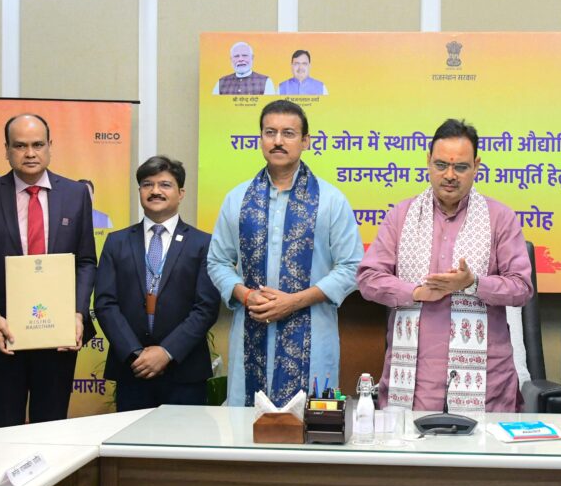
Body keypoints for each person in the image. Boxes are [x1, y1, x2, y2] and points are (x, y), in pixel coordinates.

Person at [358, 119, 534, 413]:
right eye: (441, 165)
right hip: (415, 382)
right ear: (428, 161)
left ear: (476, 166)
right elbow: (368, 278)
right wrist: (416, 292)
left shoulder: (500, 218)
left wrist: (473, 283)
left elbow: (522, 287)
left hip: (485, 383)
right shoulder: (401, 216)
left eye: (460, 167)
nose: (450, 176)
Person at [207, 100, 361, 405]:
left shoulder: (331, 200)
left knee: (309, 424)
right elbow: (217, 261)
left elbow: (352, 267)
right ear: (260, 139)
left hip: (313, 337)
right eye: (270, 132)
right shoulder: (237, 199)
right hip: (250, 333)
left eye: (288, 133)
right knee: (247, 426)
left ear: (305, 141)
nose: (278, 141)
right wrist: (246, 295)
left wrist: (294, 302)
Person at [0, 113, 97, 426]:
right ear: (7, 150)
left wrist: (77, 313)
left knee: (50, 429)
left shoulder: (76, 195)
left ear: (50, 146)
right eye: (20, 146)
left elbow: (86, 261)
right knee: (4, 429)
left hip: (58, 336)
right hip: (3, 336)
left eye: (38, 144)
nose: (30, 153)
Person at [95, 156, 220, 409]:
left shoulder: (203, 244)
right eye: (147, 184)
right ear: (140, 191)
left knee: (184, 435)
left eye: (165, 184)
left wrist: (166, 352)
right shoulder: (116, 242)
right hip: (133, 369)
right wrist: (135, 353)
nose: (155, 191)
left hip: (184, 370)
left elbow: (206, 308)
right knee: (133, 436)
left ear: (181, 193)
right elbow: (105, 303)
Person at [211, 41, 276, 95]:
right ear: (231, 59)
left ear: (252, 58)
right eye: (236, 56)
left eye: (244, 55)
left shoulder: (266, 81)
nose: (240, 59)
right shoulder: (221, 82)